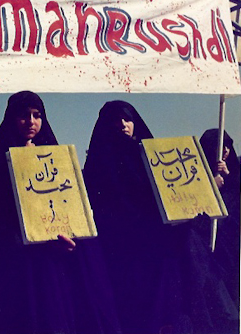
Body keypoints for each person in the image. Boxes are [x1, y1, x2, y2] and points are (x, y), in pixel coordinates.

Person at [83, 101, 238, 334]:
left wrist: (208, 187)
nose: (123, 125)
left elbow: (177, 194)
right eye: (115, 120)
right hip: (117, 248)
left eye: (127, 119)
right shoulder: (99, 162)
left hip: (155, 246)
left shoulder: (152, 157)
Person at [0, 91, 119, 334]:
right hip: (16, 266)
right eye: (23, 116)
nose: (31, 121)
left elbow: (70, 209)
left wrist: (72, 243)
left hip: (51, 262)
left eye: (36, 115)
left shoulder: (56, 158)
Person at [200, 129, 240, 308]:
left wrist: (229, 176)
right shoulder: (198, 172)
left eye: (227, 145)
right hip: (206, 238)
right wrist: (211, 184)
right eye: (219, 145)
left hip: (232, 238)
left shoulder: (237, 170)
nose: (224, 150)